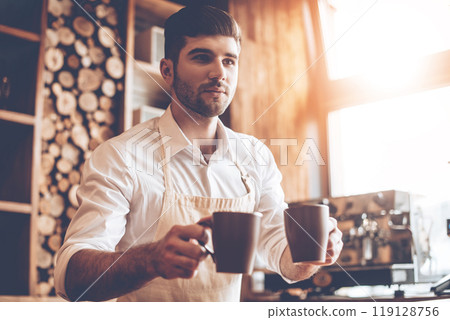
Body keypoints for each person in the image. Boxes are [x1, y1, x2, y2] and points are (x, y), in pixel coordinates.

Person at [54, 5, 343, 302]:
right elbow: (70, 277)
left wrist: (312, 254)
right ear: (167, 70)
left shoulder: (255, 156)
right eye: (202, 57)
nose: (219, 73)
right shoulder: (120, 156)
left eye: (229, 61)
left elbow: (280, 253)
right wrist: (152, 259)